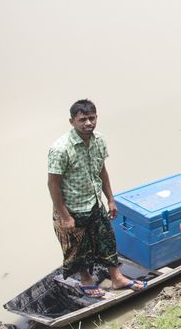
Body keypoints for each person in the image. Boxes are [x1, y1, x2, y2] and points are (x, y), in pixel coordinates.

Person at [47, 100, 146, 298]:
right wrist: (65, 217)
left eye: (91, 118)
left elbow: (102, 171)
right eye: (82, 119)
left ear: (96, 118)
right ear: (72, 121)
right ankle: (86, 280)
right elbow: (53, 185)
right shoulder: (60, 149)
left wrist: (110, 199)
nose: (88, 123)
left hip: (94, 203)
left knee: (107, 240)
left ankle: (117, 278)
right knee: (78, 250)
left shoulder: (99, 140)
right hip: (71, 209)